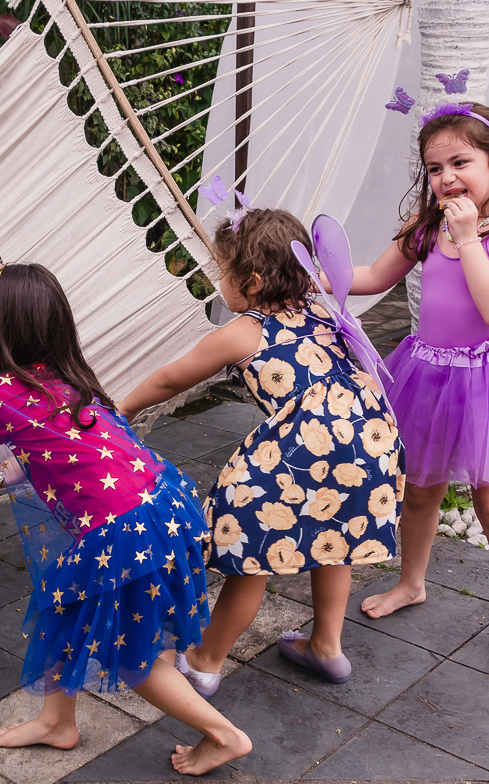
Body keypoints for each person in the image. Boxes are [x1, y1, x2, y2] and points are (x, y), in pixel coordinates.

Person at [0, 264, 251, 776]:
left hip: (119, 534)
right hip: (163, 505)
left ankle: (224, 734)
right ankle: (58, 723)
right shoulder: (71, 376)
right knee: (63, 606)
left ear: (3, 338)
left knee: (133, 657)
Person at [116, 209, 402, 697]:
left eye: (221, 270)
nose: (217, 280)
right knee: (335, 536)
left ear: (247, 280)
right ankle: (327, 647)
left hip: (305, 448)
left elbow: (169, 379)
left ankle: (203, 662)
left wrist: (120, 409)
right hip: (372, 441)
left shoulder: (243, 332)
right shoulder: (323, 305)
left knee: (254, 553)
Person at [347, 102, 489, 678]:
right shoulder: (427, 227)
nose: (446, 179)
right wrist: (314, 273)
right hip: (429, 372)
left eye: (460, 162)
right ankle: (411, 582)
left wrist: (468, 240)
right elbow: (368, 279)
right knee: (419, 491)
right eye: (434, 168)